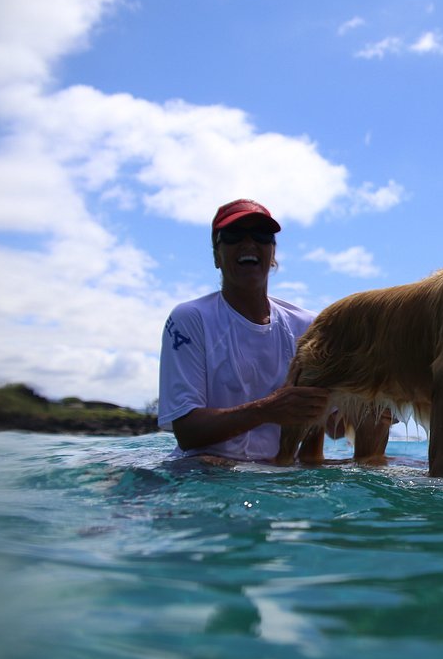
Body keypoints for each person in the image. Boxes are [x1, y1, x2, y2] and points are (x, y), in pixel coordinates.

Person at [158, 199, 390, 464]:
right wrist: (268, 410)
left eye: (261, 235)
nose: (248, 243)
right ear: (216, 255)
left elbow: (335, 426)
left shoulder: (309, 326)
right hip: (207, 469)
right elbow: (187, 432)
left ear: (273, 253)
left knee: (400, 465)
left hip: (278, 473)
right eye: (234, 235)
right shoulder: (191, 319)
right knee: (206, 463)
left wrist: (378, 404)